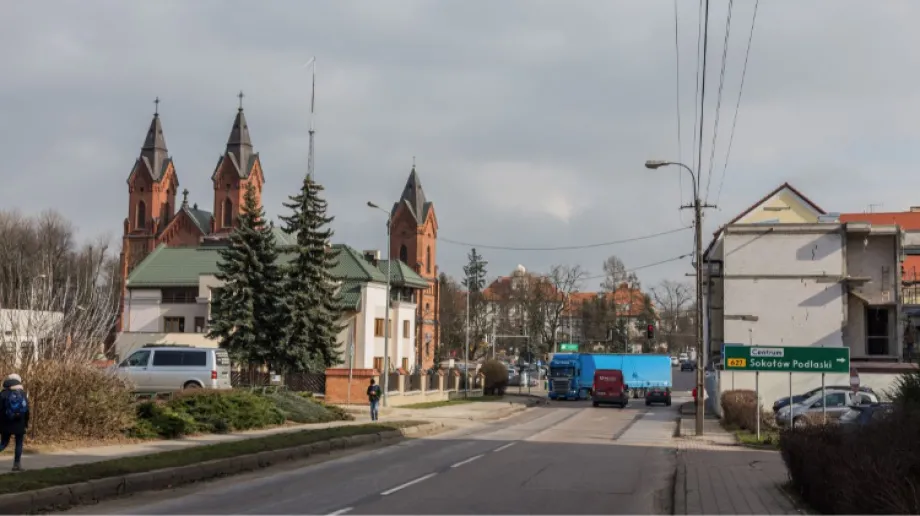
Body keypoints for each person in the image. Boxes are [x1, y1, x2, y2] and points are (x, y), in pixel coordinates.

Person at [0, 374, 29, 471]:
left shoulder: (3, 393)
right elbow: (27, 410)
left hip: (6, 422)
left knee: (4, 443)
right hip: (19, 422)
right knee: (19, 443)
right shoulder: (23, 393)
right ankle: (17, 465)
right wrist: (26, 423)